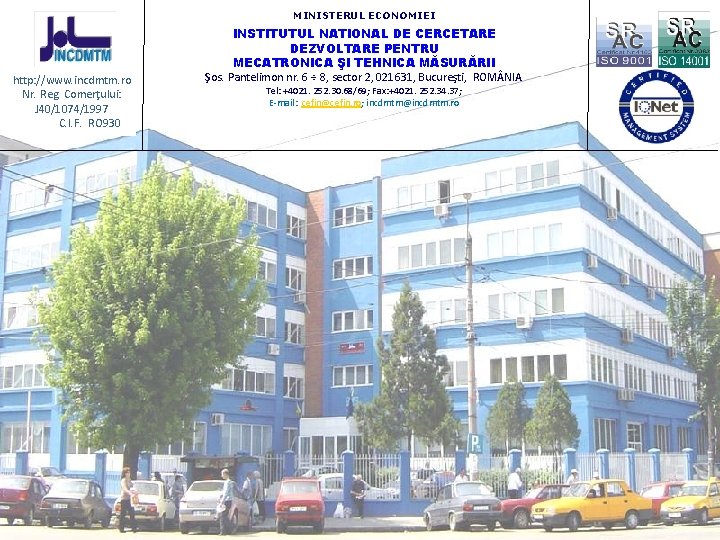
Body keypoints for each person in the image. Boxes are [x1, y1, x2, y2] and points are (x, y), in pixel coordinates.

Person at [118, 466, 138, 533]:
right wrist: (130, 493)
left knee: (132, 513)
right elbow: (124, 489)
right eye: (127, 472)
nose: (128, 473)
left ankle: (134, 528)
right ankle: (121, 528)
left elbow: (132, 488)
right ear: (124, 473)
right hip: (124, 499)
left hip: (130, 499)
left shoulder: (129, 480)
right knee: (123, 514)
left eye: (129, 472)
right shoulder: (123, 480)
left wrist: (135, 492)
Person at [218, 468, 235, 535]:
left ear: (225, 474)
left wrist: (222, 501)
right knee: (224, 516)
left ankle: (229, 528)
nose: (221, 476)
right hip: (228, 500)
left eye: (222, 474)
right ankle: (225, 531)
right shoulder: (229, 482)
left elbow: (226, 492)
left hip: (227, 501)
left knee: (223, 516)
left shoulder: (227, 482)